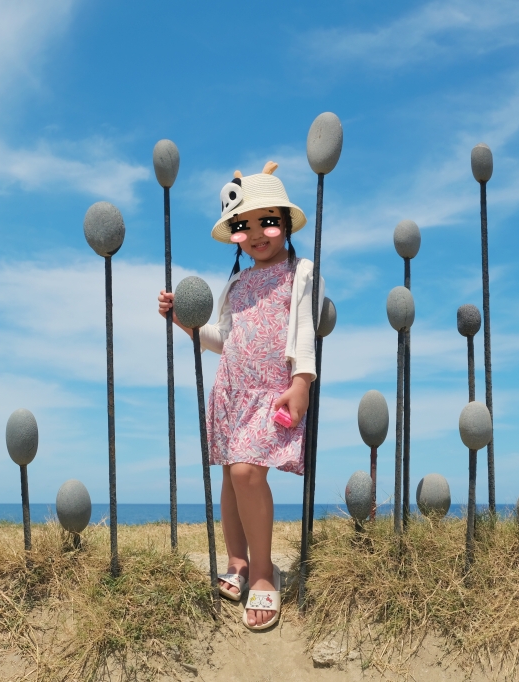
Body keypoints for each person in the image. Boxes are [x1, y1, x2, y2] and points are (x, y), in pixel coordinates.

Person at [158, 162, 322, 630]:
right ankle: (238, 561)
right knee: (232, 479)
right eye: (243, 226)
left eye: (268, 221)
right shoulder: (236, 283)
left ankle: (265, 574)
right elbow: (224, 338)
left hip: (273, 391)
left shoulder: (301, 273)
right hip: (232, 389)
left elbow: (306, 331)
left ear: (286, 224)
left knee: (249, 474)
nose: (256, 233)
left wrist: (302, 382)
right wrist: (184, 322)